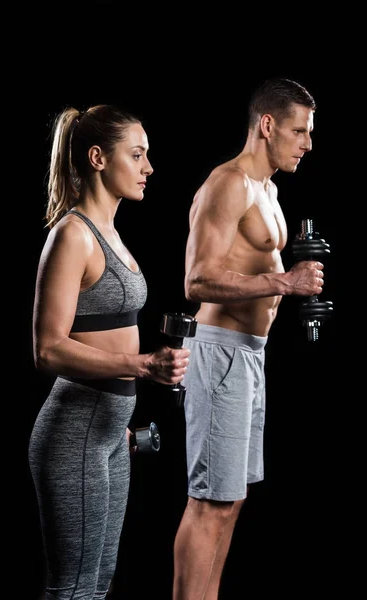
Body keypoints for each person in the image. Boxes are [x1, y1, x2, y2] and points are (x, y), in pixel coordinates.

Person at [28, 104, 190, 600]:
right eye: (137, 155)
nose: (149, 168)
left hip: (108, 436)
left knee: (97, 585)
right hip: (74, 434)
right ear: (98, 158)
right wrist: (142, 365)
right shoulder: (72, 235)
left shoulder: (114, 235)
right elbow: (48, 349)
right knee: (73, 589)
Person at [172, 77, 323, 599]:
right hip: (219, 354)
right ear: (267, 125)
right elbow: (196, 278)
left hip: (251, 357)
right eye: (299, 131)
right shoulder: (227, 182)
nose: (307, 143)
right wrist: (284, 280)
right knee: (208, 503)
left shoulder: (270, 189)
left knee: (230, 501)